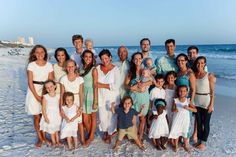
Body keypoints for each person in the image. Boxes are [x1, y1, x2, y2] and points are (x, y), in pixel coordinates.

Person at [25, 45, 54, 147]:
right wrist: (37, 96)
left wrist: (46, 95)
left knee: (44, 115)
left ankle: (45, 136)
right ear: (34, 54)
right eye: (37, 52)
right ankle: (40, 138)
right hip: (33, 91)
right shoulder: (31, 65)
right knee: (36, 115)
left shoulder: (49, 65)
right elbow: (30, 82)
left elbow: (50, 81)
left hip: (45, 90)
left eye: (42, 52)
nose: (40, 54)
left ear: (45, 53)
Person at [125, 52, 152, 142]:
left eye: (139, 58)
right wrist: (133, 88)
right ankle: (134, 135)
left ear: (142, 59)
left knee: (142, 117)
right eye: (135, 59)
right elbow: (126, 85)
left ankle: (140, 136)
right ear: (133, 60)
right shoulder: (130, 71)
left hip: (144, 96)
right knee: (133, 118)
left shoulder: (146, 70)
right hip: (133, 97)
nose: (138, 60)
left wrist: (143, 83)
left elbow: (152, 81)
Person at [97, 49, 121, 144]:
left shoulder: (116, 69)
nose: (104, 61)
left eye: (106, 58)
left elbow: (116, 85)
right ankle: (105, 131)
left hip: (112, 97)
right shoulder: (98, 68)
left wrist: (102, 85)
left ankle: (110, 134)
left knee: (112, 117)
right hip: (101, 96)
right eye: (102, 59)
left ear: (110, 57)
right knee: (102, 117)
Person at [192, 56, 215, 150]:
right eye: (198, 63)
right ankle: (199, 140)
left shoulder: (209, 75)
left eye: (202, 63)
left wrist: (211, 105)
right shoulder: (194, 75)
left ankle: (203, 142)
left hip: (206, 101)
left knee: (206, 123)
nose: (200, 64)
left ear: (205, 64)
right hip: (197, 101)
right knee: (198, 122)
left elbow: (213, 92)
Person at [60, 59, 85, 145]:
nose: (70, 68)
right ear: (66, 68)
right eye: (68, 66)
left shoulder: (80, 79)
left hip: (77, 100)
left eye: (72, 66)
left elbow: (81, 93)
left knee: (79, 121)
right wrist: (61, 107)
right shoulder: (63, 79)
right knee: (68, 121)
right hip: (67, 102)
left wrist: (81, 106)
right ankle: (68, 139)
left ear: (75, 67)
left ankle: (82, 139)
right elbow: (62, 94)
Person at [169, 85, 197, 153]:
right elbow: (172, 109)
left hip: (185, 120)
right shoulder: (175, 100)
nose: (182, 92)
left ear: (187, 92)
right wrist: (174, 109)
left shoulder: (188, 100)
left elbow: (195, 110)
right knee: (176, 132)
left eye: (184, 91)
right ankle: (176, 145)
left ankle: (186, 145)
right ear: (178, 92)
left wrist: (188, 108)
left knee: (185, 133)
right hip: (177, 119)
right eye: (180, 91)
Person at [80, 50, 98, 147]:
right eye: (86, 56)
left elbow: (95, 85)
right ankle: (92, 133)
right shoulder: (80, 69)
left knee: (93, 117)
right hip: (83, 94)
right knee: (85, 118)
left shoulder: (94, 69)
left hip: (91, 94)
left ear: (92, 59)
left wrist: (95, 100)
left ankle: (91, 136)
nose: (88, 58)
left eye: (90, 57)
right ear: (83, 57)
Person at [40, 80, 61, 148]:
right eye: (47, 87)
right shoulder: (45, 97)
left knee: (56, 130)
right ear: (46, 89)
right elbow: (43, 108)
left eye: (51, 86)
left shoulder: (58, 96)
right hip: (49, 116)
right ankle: (54, 142)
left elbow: (60, 106)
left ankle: (58, 142)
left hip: (57, 115)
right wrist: (46, 117)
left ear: (55, 86)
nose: (49, 88)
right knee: (52, 131)